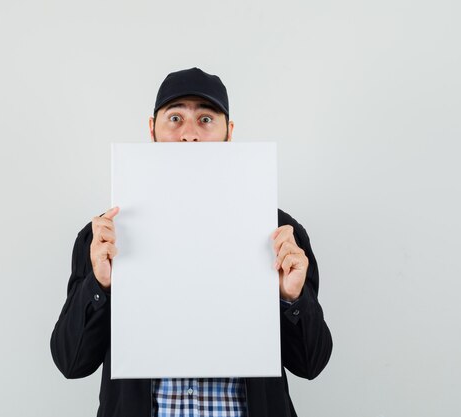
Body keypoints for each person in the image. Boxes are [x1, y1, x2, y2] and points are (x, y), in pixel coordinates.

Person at [50, 67, 332, 417]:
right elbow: (71, 361)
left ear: (229, 133)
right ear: (151, 130)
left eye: (205, 119)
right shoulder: (104, 235)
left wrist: (290, 298)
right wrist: (101, 284)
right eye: (175, 117)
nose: (189, 136)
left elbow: (311, 363)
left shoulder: (281, 232)